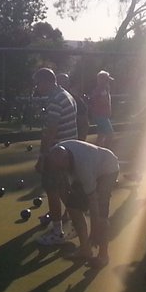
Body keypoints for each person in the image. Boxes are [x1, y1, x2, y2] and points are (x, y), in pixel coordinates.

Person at [44, 139, 120, 268]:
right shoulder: (53, 156)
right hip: (91, 166)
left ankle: (103, 255)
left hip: (108, 169)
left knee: (102, 214)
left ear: (68, 161)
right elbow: (63, 189)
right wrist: (70, 206)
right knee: (73, 207)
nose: (62, 170)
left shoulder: (83, 167)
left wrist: (94, 229)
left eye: (63, 168)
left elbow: (92, 200)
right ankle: (85, 249)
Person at [32, 67, 78, 246]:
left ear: (46, 81)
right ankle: (76, 225)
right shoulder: (65, 94)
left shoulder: (55, 100)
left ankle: (58, 232)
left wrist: (42, 156)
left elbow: (51, 130)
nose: (37, 87)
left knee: (53, 191)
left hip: (57, 153)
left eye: (38, 83)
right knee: (63, 190)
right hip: (68, 150)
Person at [58, 73, 89, 143]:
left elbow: (84, 124)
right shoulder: (54, 100)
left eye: (64, 82)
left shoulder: (77, 100)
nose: (61, 85)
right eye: (59, 82)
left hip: (72, 140)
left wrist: (80, 142)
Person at [89, 70, 116, 149]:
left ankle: (97, 150)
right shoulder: (101, 90)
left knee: (101, 135)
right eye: (106, 80)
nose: (108, 82)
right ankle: (106, 150)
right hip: (101, 115)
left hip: (100, 115)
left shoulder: (101, 89)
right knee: (110, 134)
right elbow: (103, 102)